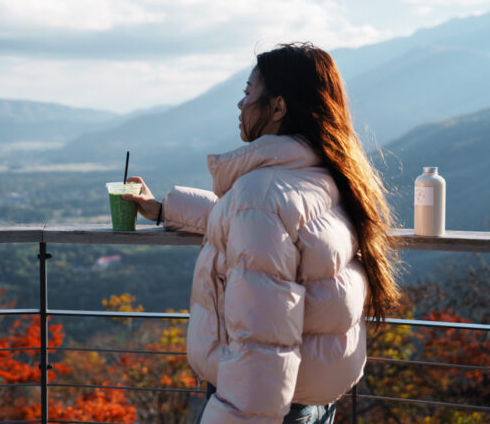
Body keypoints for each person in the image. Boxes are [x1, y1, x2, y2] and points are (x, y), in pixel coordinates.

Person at [123, 43, 399, 424]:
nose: (240, 105)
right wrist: (163, 209)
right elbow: (272, 233)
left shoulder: (262, 195)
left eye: (248, 92)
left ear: (278, 107)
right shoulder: (323, 174)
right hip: (316, 399)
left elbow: (260, 343)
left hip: (270, 404)